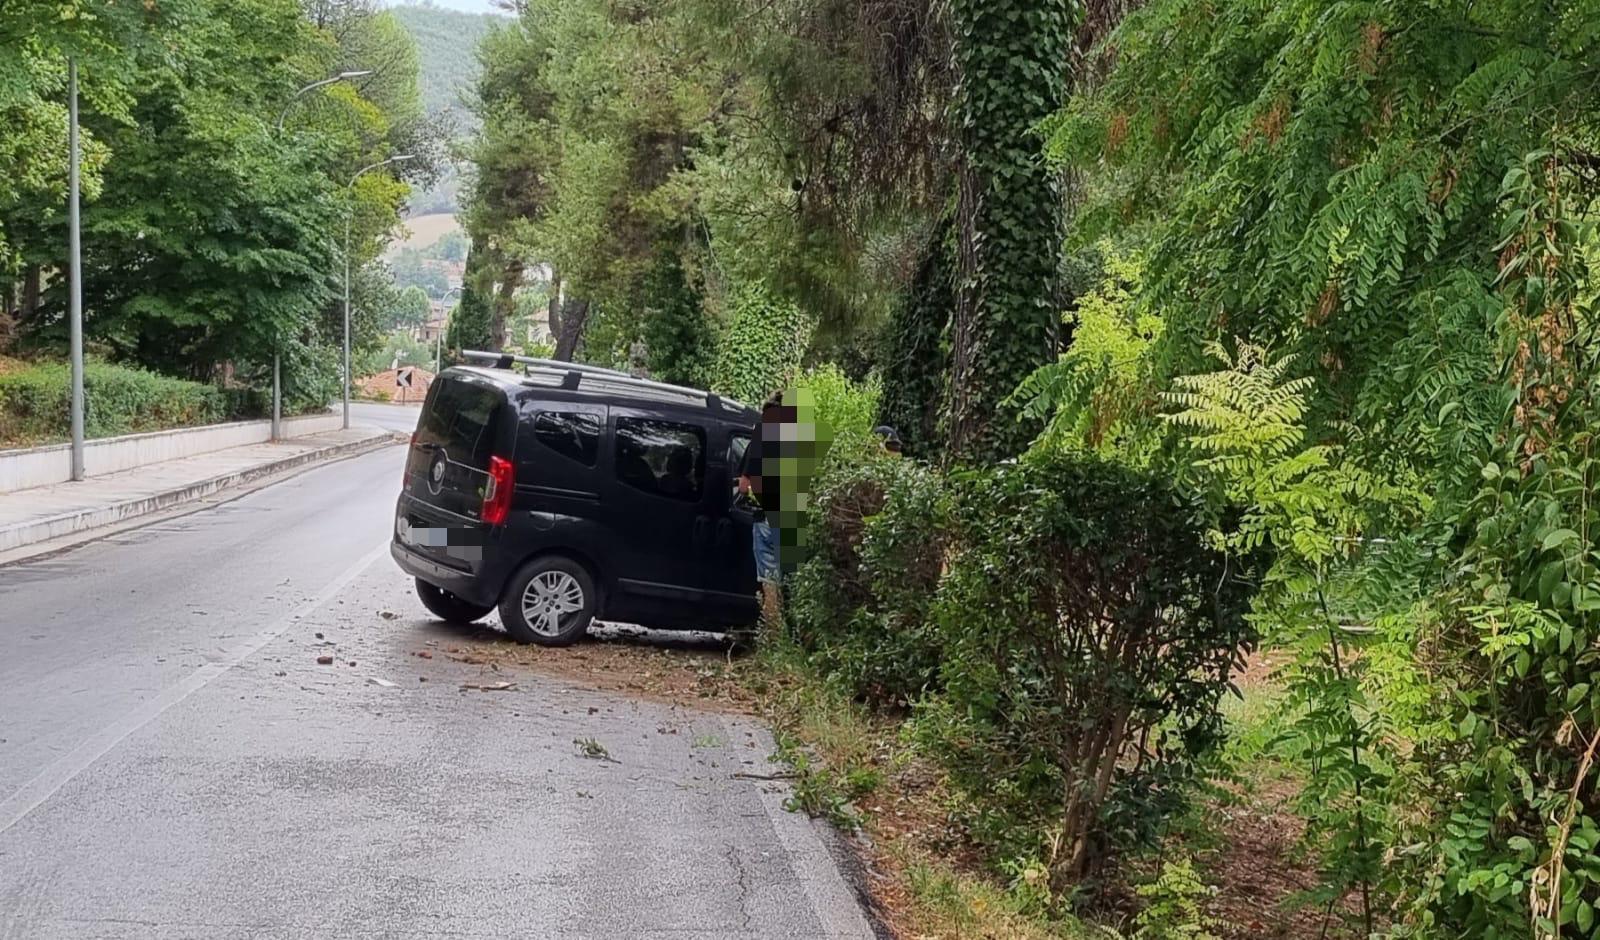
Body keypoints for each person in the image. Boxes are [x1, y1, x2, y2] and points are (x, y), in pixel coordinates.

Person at [737, 392, 785, 632]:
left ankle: (773, 638)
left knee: (769, 584)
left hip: (766, 521)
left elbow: (744, 487)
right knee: (788, 580)